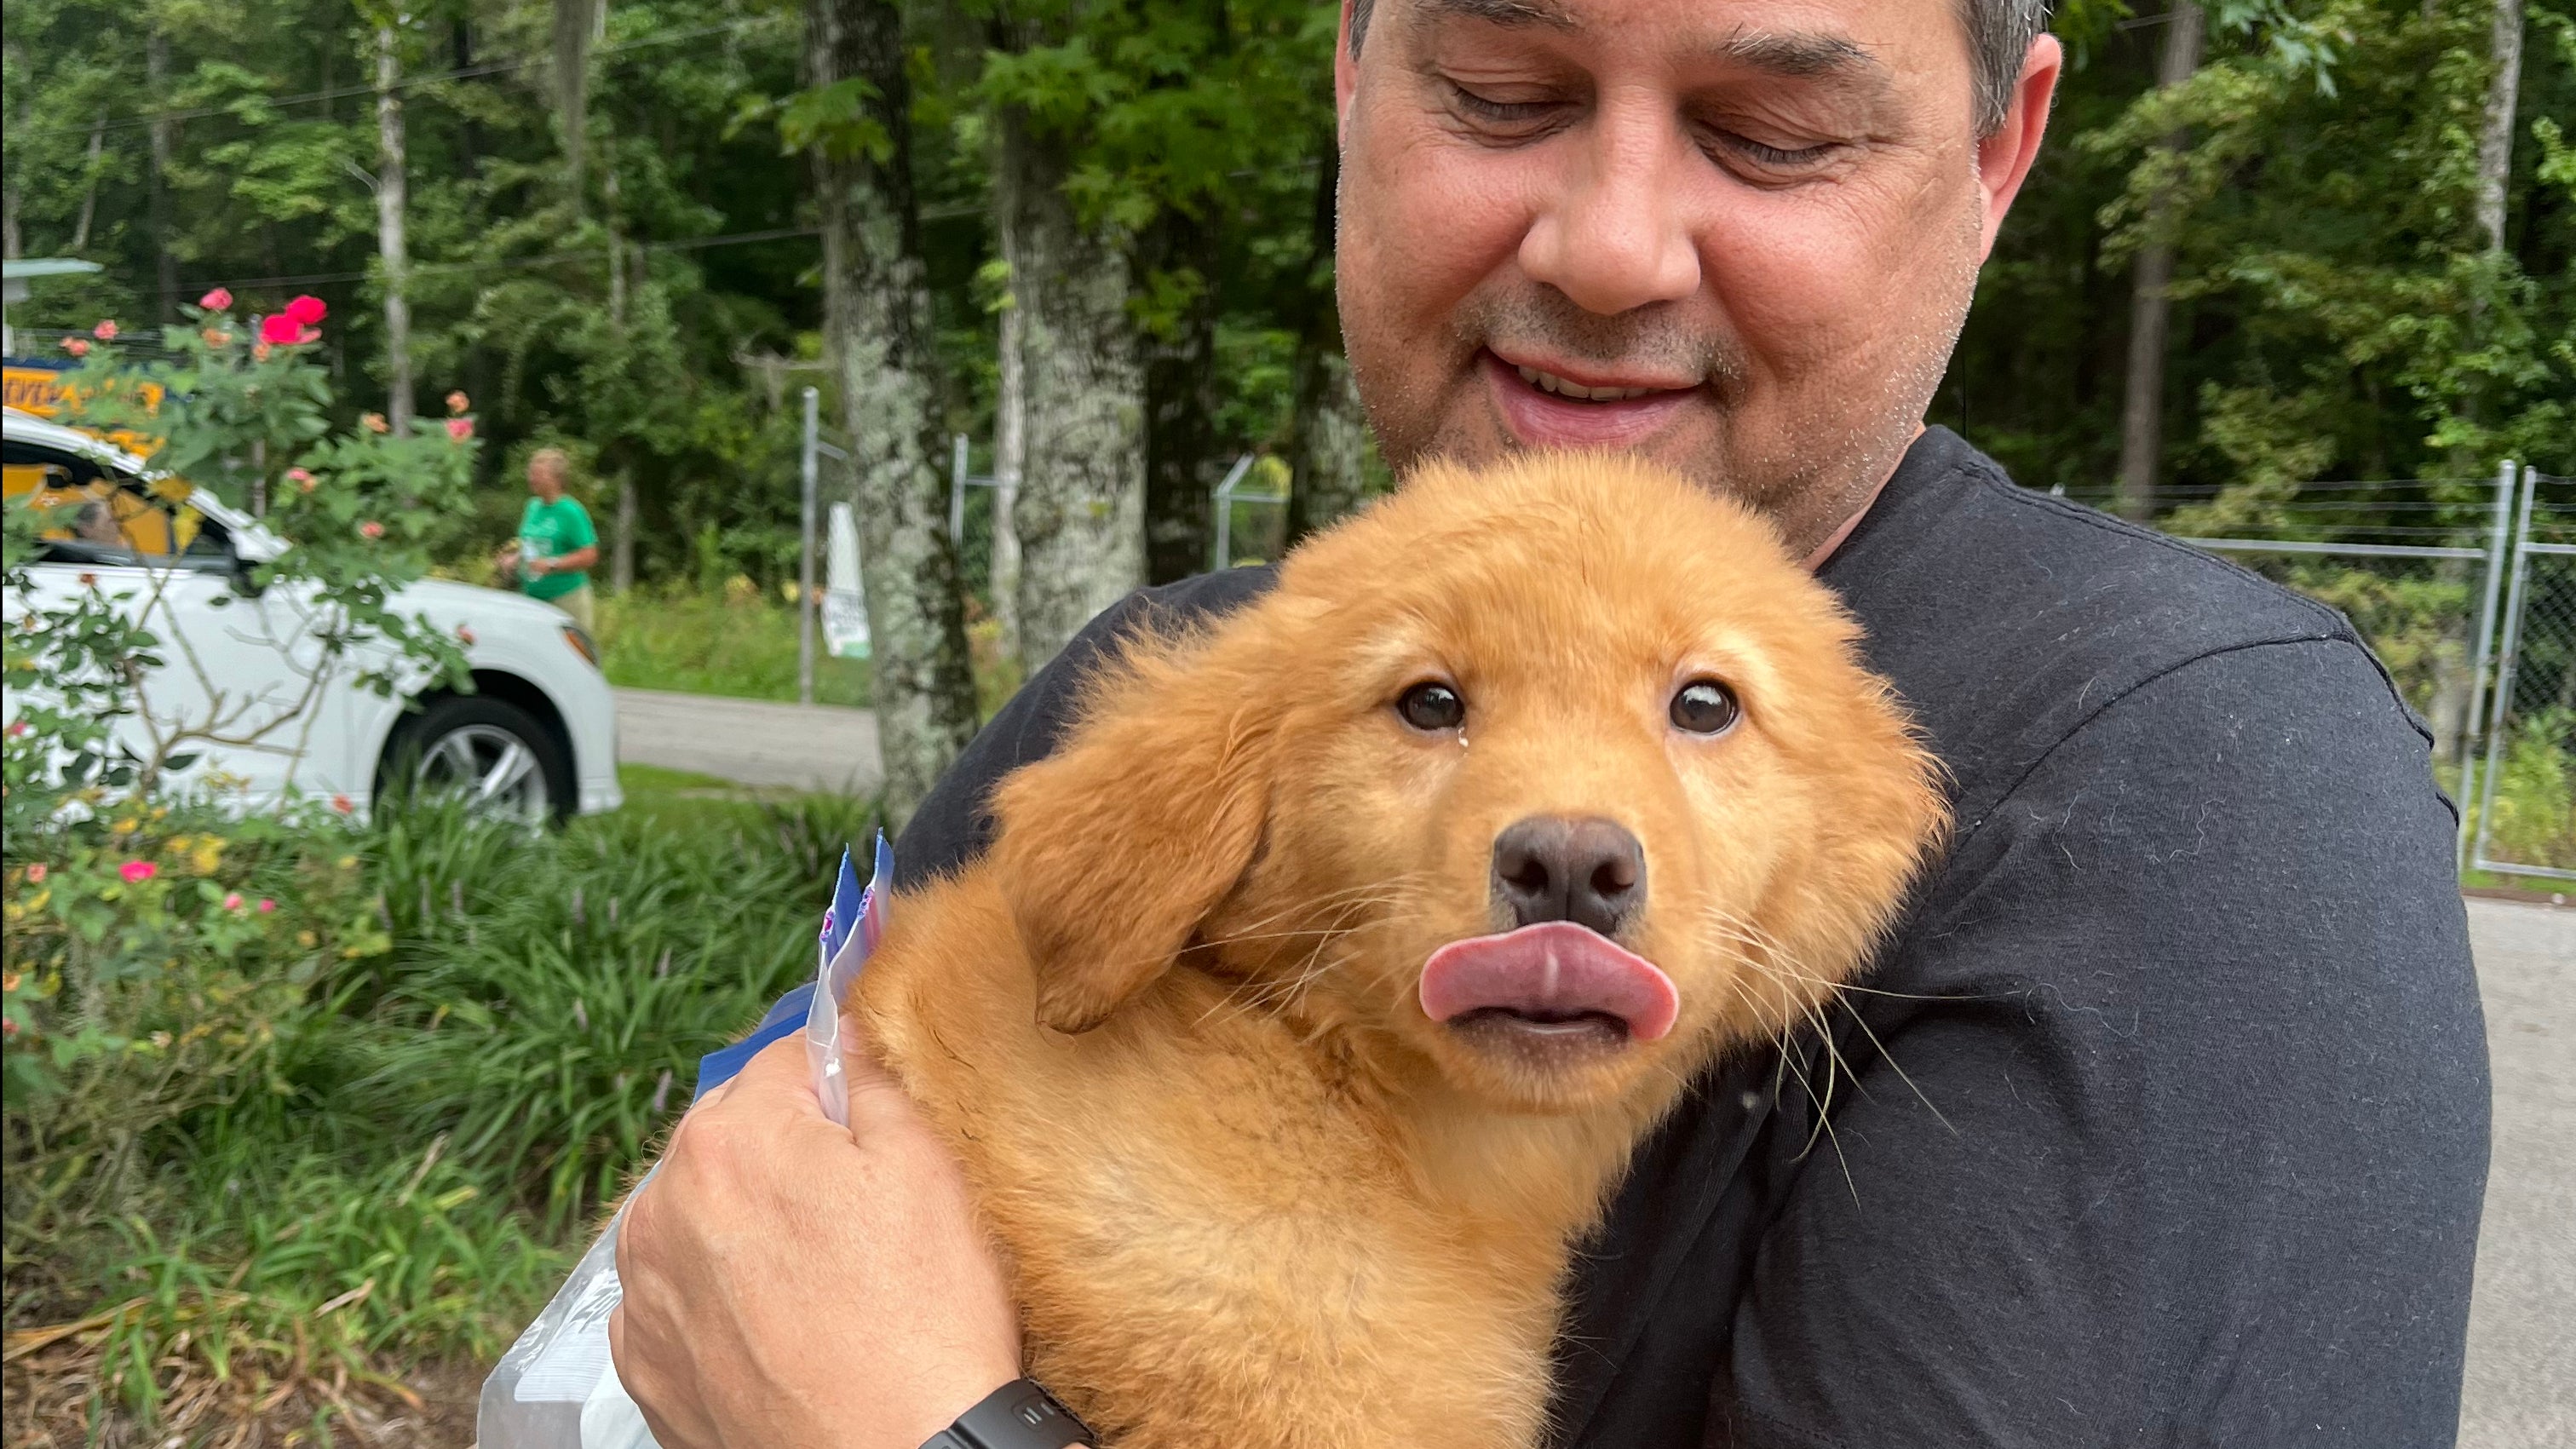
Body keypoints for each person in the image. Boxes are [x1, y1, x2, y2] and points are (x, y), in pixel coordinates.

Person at [609, 3, 2491, 1446]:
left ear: (1999, 153)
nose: (1607, 247)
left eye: (1771, 133)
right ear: (1355, 73)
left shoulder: (2176, 779)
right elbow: (721, 1265)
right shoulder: (1178, 673)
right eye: (1503, 92)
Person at [495, 447, 600, 631]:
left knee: (570, 656)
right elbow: (530, 545)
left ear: (556, 479)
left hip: (567, 598)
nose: (531, 478)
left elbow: (589, 555)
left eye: (538, 474)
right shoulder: (532, 507)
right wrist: (514, 559)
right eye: (530, 473)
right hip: (533, 597)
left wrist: (552, 564)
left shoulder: (571, 511)